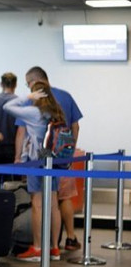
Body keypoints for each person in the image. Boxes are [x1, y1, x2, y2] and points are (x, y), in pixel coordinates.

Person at [22, 66, 83, 251]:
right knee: (60, 200)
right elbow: (75, 127)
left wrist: (19, 158)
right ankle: (63, 242)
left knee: (38, 203)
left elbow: (21, 131)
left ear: (34, 82)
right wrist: (68, 154)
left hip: (39, 157)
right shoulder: (65, 96)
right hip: (61, 159)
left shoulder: (34, 100)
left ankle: (38, 247)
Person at [5, 81, 64, 261]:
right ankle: (54, 248)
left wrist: (27, 98)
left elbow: (7, 106)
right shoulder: (57, 112)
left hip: (36, 161)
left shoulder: (34, 112)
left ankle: (37, 247)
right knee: (53, 203)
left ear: (36, 94)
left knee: (37, 203)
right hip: (54, 161)